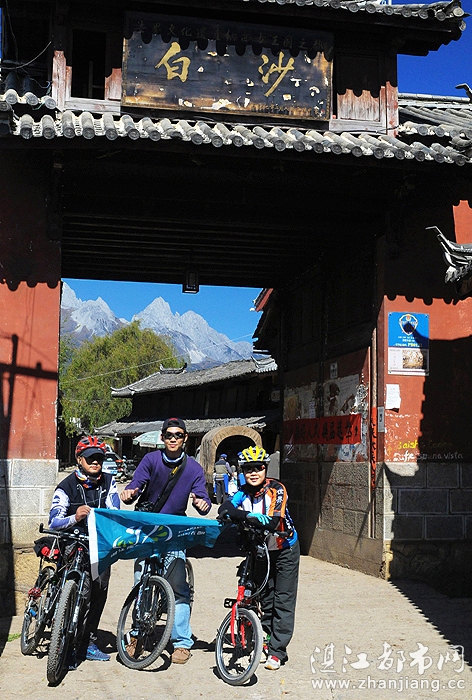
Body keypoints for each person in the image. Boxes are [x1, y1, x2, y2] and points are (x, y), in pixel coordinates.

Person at [120, 417, 211, 665]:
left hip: (174, 531)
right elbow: (135, 486)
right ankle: (138, 634)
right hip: (148, 528)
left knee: (178, 588)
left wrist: (202, 503)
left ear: (185, 438)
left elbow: (203, 499)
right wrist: (130, 493)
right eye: (169, 435)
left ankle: (181, 642)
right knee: (141, 584)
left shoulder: (193, 469)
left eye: (178, 435)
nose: (173, 439)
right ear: (162, 437)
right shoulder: (151, 460)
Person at [219, 445, 299, 671]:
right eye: (248, 469)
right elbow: (225, 508)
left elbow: (271, 522)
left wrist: (240, 515)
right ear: (242, 471)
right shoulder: (242, 492)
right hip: (261, 549)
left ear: (266, 468)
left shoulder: (277, 489)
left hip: (285, 549)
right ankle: (265, 642)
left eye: (259, 468)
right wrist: (238, 513)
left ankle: (277, 651)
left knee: (283, 599)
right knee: (265, 597)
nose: (254, 473)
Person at [49, 436, 120, 663]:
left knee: (99, 591)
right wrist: (75, 517)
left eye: (99, 458)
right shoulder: (66, 486)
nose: (96, 462)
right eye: (90, 458)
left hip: (99, 544)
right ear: (79, 459)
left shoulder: (109, 482)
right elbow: (54, 522)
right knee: (82, 592)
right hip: (73, 541)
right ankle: (65, 639)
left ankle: (87, 642)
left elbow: (115, 511)